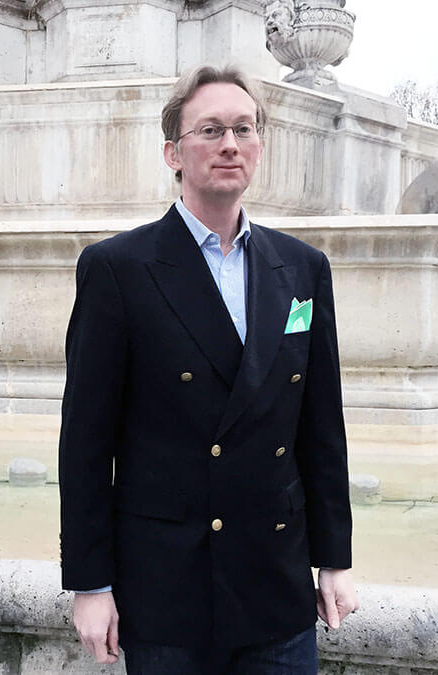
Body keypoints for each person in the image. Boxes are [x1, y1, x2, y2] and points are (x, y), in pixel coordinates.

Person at [58, 64, 358, 674]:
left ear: (260, 147)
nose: (230, 143)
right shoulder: (118, 268)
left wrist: (335, 559)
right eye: (211, 129)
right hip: (167, 588)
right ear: (173, 151)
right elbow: (86, 439)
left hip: (276, 583)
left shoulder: (303, 268)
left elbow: (320, 425)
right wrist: (90, 585)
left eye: (244, 129)